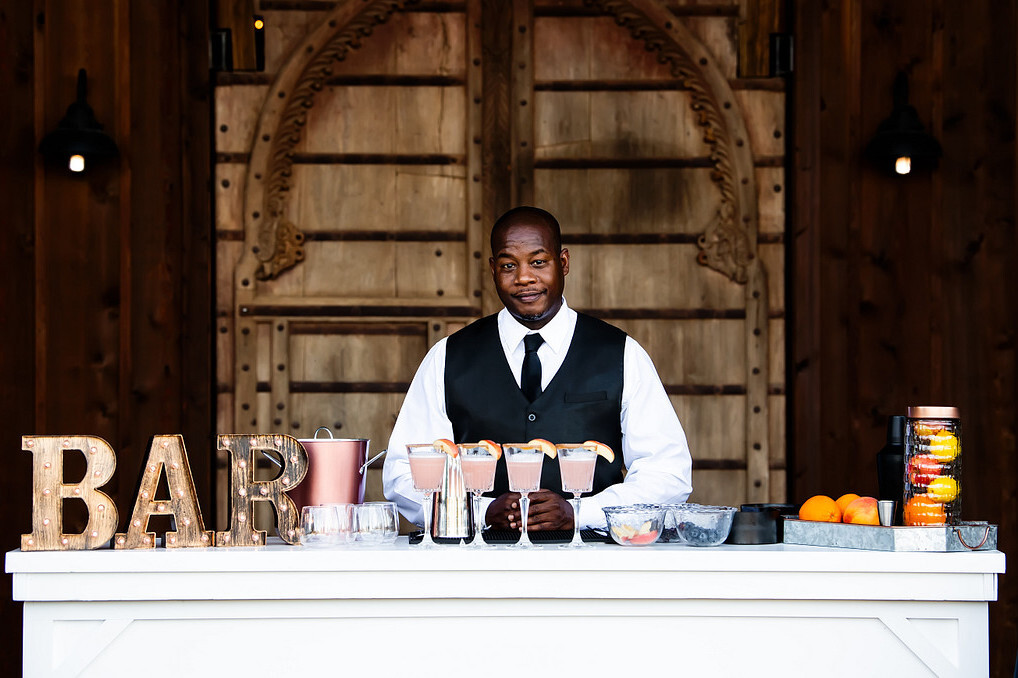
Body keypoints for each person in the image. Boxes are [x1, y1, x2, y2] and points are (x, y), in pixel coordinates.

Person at [382, 206, 692, 532]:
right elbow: (404, 472)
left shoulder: (622, 354)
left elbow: (668, 472)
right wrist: (480, 512)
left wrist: (581, 513)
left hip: (593, 566)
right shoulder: (448, 356)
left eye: (538, 262)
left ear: (564, 263)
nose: (524, 277)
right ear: (492, 270)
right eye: (508, 265)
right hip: (478, 568)